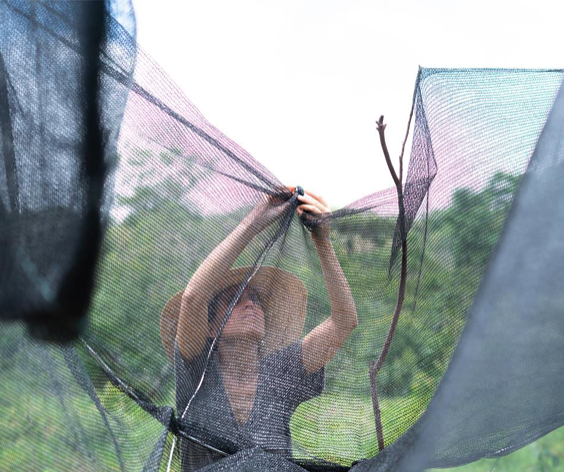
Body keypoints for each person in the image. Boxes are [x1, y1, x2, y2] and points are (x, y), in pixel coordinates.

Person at [160, 189, 358, 471]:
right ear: (211, 326)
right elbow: (193, 298)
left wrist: (322, 240)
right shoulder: (198, 371)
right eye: (234, 300)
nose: (250, 304)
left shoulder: (281, 371)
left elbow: (343, 321)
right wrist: (255, 221)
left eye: (255, 299)